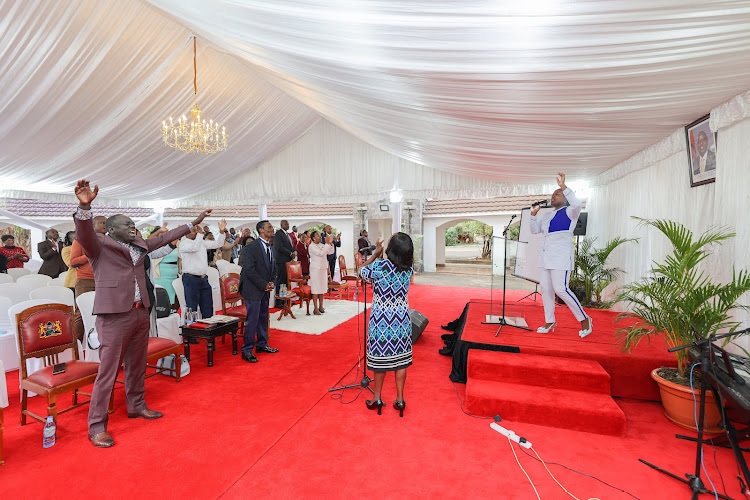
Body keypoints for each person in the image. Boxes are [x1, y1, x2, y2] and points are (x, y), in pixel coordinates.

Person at [72, 179, 210, 448]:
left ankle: (136, 405)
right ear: (111, 229)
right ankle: (96, 426)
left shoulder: (139, 245)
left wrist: (193, 222)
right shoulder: (98, 246)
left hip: (139, 313)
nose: (132, 226)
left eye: (132, 223)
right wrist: (84, 207)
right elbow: (85, 233)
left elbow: (164, 238)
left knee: (137, 364)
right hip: (114, 316)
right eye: (126, 223)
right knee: (109, 372)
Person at [530, 172, 592, 338]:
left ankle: (584, 319)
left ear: (565, 198)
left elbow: (577, 202)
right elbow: (535, 230)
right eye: (552, 194)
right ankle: (550, 321)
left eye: (557, 194)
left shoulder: (571, 212)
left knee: (561, 289)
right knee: (547, 290)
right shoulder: (547, 215)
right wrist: (533, 217)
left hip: (560, 257)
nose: (553, 196)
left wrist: (564, 186)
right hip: (544, 258)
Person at [359, 232, 414, 417]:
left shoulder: (380, 267)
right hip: (402, 319)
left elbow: (360, 272)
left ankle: (377, 398)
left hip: (382, 320)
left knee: (380, 361)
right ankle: (399, 399)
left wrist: (375, 254)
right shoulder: (410, 268)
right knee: (401, 362)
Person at [239, 220, 279, 363]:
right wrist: (263, 284)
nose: (272, 229)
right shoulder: (252, 247)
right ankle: (247, 350)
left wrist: (272, 282)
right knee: (252, 320)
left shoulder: (271, 246)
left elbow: (273, 267)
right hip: (252, 288)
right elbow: (249, 269)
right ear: (261, 230)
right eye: (269, 227)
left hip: (264, 288)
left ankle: (262, 344)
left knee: (263, 317)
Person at [179, 222, 226, 320]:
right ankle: (191, 333)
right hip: (191, 279)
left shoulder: (202, 242)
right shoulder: (183, 244)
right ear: (186, 233)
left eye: (196, 231)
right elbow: (194, 248)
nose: (196, 233)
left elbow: (218, 244)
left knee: (208, 307)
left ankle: (208, 331)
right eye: (194, 231)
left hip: (204, 279)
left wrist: (221, 232)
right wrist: (200, 234)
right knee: (192, 308)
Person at [70, 216, 106, 342]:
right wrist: (89, 254)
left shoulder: (108, 241)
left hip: (104, 280)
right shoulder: (80, 240)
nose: (105, 225)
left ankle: (100, 341)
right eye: (102, 223)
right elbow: (73, 262)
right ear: (93, 225)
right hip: (85, 281)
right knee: (81, 312)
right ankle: (76, 344)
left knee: (104, 311)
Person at [308, 231, 334, 315]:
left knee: (322, 287)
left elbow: (330, 252)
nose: (320, 236)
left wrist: (330, 243)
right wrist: (327, 244)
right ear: (313, 238)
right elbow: (321, 253)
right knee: (316, 288)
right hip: (315, 269)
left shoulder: (322, 245)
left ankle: (321, 306)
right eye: (318, 235)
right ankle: (315, 308)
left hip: (323, 268)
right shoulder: (311, 246)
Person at [273, 220, 296, 307]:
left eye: (288, 224)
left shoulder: (288, 234)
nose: (288, 225)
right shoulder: (278, 234)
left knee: (287, 281)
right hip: (281, 261)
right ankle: (279, 302)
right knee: (281, 281)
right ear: (281, 225)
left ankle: (286, 300)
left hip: (289, 261)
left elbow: (292, 245)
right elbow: (279, 247)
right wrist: (290, 253)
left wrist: (294, 252)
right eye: (286, 224)